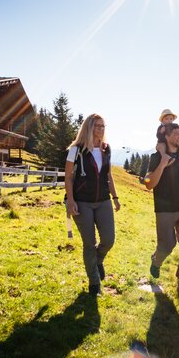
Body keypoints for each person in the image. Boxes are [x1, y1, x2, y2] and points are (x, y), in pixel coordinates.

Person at [64, 113, 121, 295]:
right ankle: (94, 284)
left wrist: (115, 197)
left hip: (103, 201)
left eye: (103, 126)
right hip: (83, 202)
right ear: (89, 127)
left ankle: (98, 260)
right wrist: (71, 201)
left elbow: (108, 175)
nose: (101, 129)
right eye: (97, 126)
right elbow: (68, 177)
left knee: (109, 240)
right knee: (89, 243)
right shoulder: (77, 149)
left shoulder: (106, 149)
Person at [144, 123, 179, 300]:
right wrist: (162, 164)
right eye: (176, 133)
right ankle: (156, 260)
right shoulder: (156, 157)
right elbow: (149, 184)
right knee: (167, 245)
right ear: (166, 137)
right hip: (164, 211)